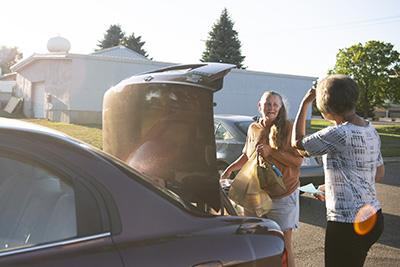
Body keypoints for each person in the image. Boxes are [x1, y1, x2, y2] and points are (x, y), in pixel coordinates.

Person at [291, 75, 384, 267]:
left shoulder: (340, 133)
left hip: (347, 223)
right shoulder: (370, 129)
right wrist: (333, 187)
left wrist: (304, 104)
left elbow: (297, 143)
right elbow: (378, 172)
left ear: (327, 107)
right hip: (374, 217)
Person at [221, 91, 303, 267]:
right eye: (267, 104)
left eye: (275, 104)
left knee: (283, 244)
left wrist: (271, 152)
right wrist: (229, 169)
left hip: (283, 194)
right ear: (259, 106)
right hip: (255, 194)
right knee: (256, 242)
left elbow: (298, 161)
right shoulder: (253, 128)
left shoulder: (288, 128)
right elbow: (246, 155)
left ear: (280, 108)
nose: (271, 108)